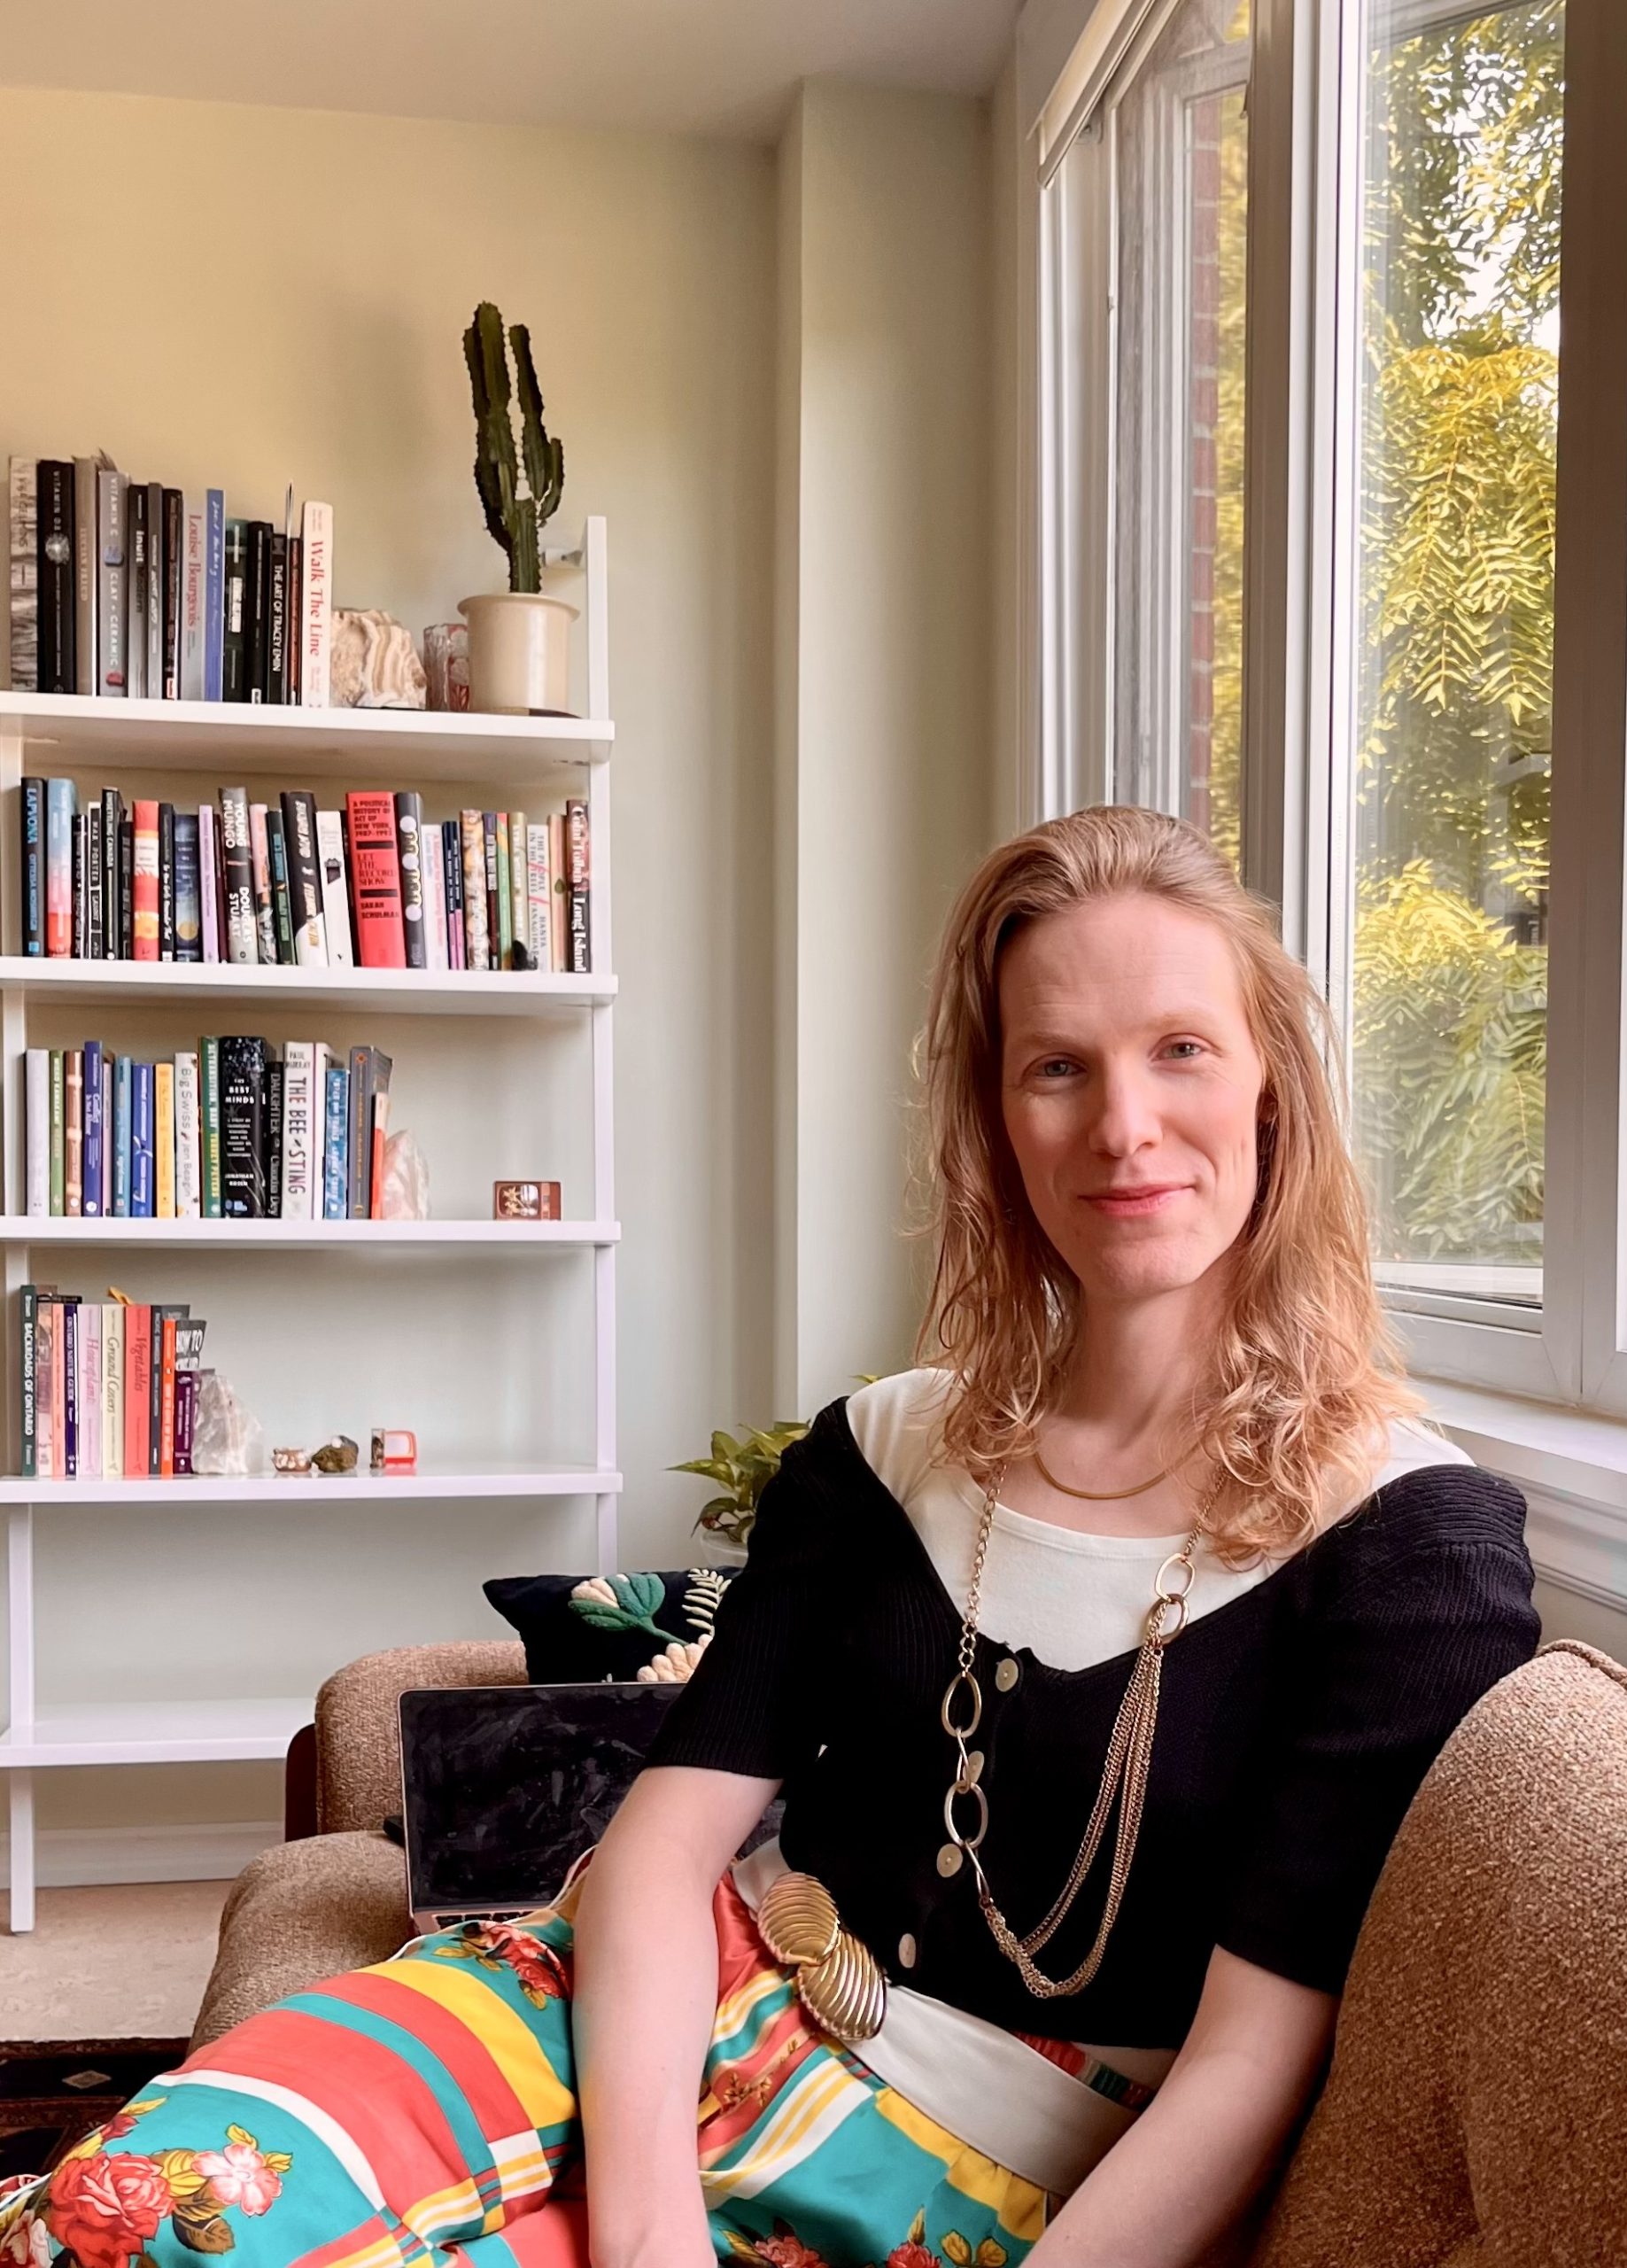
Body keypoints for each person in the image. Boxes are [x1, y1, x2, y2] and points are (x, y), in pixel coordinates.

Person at [2, 808, 1537, 2268]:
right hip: (621, 2015)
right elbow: (664, 1851)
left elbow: (1253, 2064)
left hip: (965, 2176)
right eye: (1057, 1068)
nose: (1124, 1126)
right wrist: (647, 2232)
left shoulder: (1410, 1548)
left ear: (1272, 1087)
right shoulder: (882, 1453)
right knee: (119, 2221)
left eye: (1181, 1050)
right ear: (998, 1123)